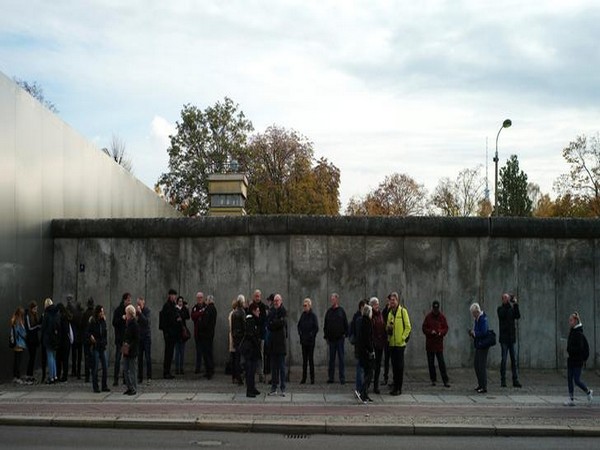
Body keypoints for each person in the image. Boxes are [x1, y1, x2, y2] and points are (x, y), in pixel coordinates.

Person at [564, 312, 593, 406]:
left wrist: (570, 350)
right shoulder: (572, 331)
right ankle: (571, 399)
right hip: (571, 360)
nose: (570, 322)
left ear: (576, 321)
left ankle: (588, 391)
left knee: (576, 380)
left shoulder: (579, 333)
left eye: (571, 320)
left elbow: (580, 348)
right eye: (569, 320)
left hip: (577, 361)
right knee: (569, 379)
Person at [386, 291, 411, 396]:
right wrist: (388, 329)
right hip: (392, 343)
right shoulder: (390, 313)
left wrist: (403, 338)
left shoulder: (403, 312)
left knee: (400, 367)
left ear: (397, 300)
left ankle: (399, 388)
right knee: (394, 366)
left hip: (400, 344)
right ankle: (394, 387)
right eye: (390, 300)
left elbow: (408, 327)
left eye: (393, 300)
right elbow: (387, 326)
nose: (391, 302)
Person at [422, 300, 450, 388]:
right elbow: (424, 328)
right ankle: (433, 379)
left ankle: (445, 380)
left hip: (438, 344)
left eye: (437, 309)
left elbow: (446, 328)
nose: (435, 310)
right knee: (431, 363)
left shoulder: (442, 317)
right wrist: (431, 332)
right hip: (430, 344)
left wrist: (440, 332)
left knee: (441, 363)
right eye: (434, 308)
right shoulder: (428, 317)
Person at [497, 293, 522, 388]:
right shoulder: (500, 309)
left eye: (508, 298)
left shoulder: (512, 309)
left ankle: (515, 380)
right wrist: (508, 305)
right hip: (504, 339)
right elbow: (503, 315)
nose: (507, 300)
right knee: (504, 359)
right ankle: (503, 380)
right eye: (505, 298)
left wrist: (515, 304)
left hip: (512, 338)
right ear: (503, 299)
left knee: (514, 360)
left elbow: (518, 315)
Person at [324, 293, 348, 384]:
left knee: (341, 359)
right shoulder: (329, 312)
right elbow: (326, 324)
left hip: (340, 339)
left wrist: (345, 334)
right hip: (331, 339)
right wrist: (326, 336)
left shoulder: (341, 311)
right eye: (331, 299)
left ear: (337, 300)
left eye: (334, 299)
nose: (332, 301)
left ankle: (342, 378)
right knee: (331, 359)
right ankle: (331, 377)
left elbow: (345, 323)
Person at [267, 294, 287, 396]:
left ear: (281, 301)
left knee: (282, 367)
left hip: (281, 344)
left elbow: (281, 323)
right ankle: (273, 388)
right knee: (273, 368)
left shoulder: (283, 311)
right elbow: (269, 325)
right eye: (274, 300)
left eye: (277, 300)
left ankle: (283, 388)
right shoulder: (271, 311)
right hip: (273, 344)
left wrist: (274, 323)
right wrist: (276, 322)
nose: (275, 302)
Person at [87, 305, 110, 393]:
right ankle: (95, 386)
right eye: (101, 311)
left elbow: (105, 333)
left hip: (102, 346)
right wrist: (91, 337)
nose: (102, 313)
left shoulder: (103, 321)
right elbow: (88, 332)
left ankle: (104, 385)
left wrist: (104, 342)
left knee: (105, 367)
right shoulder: (93, 321)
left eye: (102, 311)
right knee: (95, 367)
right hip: (96, 346)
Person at [242, 302, 262, 397]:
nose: (259, 312)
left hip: (253, 349)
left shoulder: (254, 319)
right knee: (249, 370)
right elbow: (251, 334)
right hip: (250, 349)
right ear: (253, 311)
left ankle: (252, 387)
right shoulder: (250, 319)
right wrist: (256, 343)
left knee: (253, 370)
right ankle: (249, 390)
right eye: (258, 311)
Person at [297, 297, 318, 384]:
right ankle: (304, 378)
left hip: (310, 341)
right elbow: (299, 325)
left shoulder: (313, 316)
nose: (304, 307)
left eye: (305, 305)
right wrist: (300, 334)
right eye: (303, 306)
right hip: (304, 341)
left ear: (309, 306)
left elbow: (316, 328)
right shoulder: (303, 315)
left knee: (311, 360)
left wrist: (311, 335)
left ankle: (312, 378)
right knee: (304, 361)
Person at [159, 289, 179, 379]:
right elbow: (166, 320)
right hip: (169, 333)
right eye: (173, 295)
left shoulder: (173, 305)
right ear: (170, 296)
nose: (174, 297)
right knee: (168, 353)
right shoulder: (167, 306)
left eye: (175, 295)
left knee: (170, 353)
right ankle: (166, 372)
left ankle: (167, 371)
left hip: (172, 333)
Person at [469, 302, 489, 394]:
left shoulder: (482, 319)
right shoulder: (477, 319)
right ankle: (480, 384)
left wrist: (475, 333)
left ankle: (483, 386)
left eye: (473, 313)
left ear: (477, 311)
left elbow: (484, 332)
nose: (473, 315)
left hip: (483, 345)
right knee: (477, 365)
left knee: (481, 366)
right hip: (478, 344)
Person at [112, 292, 131, 386]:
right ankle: (115, 379)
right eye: (128, 300)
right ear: (124, 300)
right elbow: (114, 323)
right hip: (120, 339)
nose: (129, 301)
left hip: (125, 340)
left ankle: (125, 378)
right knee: (118, 359)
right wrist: (122, 319)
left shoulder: (129, 310)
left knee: (125, 359)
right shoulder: (118, 310)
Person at [357, 304, 374, 403]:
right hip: (367, 353)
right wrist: (371, 350)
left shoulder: (361, 321)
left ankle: (365, 394)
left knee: (367, 373)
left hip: (362, 352)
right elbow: (368, 339)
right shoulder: (367, 323)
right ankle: (363, 392)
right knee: (369, 374)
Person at [369, 297, 386, 394]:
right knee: (371, 366)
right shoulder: (370, 316)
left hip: (380, 344)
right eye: (375, 304)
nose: (377, 305)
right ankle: (367, 385)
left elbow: (382, 326)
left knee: (378, 366)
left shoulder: (380, 315)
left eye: (377, 303)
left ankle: (376, 386)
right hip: (373, 344)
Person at [250, 289, 268, 382]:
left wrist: (257, 317)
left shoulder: (263, 307)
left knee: (260, 355)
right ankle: (252, 373)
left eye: (258, 296)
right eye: (256, 296)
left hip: (260, 335)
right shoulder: (251, 306)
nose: (257, 297)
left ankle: (261, 374)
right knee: (252, 355)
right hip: (253, 336)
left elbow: (263, 321)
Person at [350, 299, 366, 397]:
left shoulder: (366, 317)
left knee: (363, 369)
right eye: (363, 307)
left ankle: (362, 389)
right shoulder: (358, 318)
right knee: (360, 369)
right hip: (359, 347)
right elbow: (353, 331)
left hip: (364, 347)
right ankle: (359, 389)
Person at [41, 298, 60, 384]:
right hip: (55, 337)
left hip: (48, 338)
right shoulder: (56, 313)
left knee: (49, 357)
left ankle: (51, 377)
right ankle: (55, 375)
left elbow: (44, 327)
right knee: (53, 357)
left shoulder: (46, 314)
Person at [122, 304, 139, 395]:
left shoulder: (134, 324)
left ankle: (133, 388)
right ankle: (129, 387)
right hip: (126, 349)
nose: (125, 315)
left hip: (132, 350)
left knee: (132, 371)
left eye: (126, 313)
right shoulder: (127, 324)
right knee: (125, 370)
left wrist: (129, 345)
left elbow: (136, 339)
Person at [230, 295, 246, 385]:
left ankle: (236, 376)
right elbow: (244, 325)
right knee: (241, 359)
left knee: (236, 358)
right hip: (241, 338)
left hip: (235, 337)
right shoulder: (242, 312)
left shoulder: (234, 313)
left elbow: (232, 327)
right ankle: (240, 377)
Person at [200, 294, 217, 379]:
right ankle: (211, 369)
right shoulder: (214, 309)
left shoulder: (208, 309)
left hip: (206, 334)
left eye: (206, 299)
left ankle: (209, 371)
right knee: (209, 352)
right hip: (210, 333)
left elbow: (205, 323)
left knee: (207, 353)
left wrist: (201, 323)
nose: (205, 301)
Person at [24, 301, 41, 383]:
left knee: (33, 358)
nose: (36, 310)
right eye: (34, 309)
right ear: (31, 309)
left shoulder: (34, 316)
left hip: (34, 339)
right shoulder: (27, 316)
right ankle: (28, 374)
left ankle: (30, 374)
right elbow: (29, 328)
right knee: (31, 358)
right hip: (30, 339)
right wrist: (37, 327)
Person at [136, 297, 152, 384]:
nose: (138, 305)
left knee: (148, 357)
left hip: (146, 337)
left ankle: (149, 376)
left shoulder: (147, 311)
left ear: (143, 303)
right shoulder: (136, 312)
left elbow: (146, 322)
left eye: (140, 304)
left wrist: (141, 313)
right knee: (139, 358)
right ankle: (140, 377)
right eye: (137, 304)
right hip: (139, 337)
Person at [67, 296, 83, 379]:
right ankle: (79, 372)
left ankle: (74, 370)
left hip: (75, 336)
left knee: (74, 355)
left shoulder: (74, 315)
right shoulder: (82, 314)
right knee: (79, 356)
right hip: (80, 337)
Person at [10, 307, 28, 384]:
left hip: (16, 343)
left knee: (16, 360)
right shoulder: (18, 321)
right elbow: (21, 332)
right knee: (18, 361)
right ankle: (17, 376)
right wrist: (25, 334)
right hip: (19, 343)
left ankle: (16, 376)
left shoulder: (14, 320)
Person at [190, 292, 206, 375]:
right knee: (198, 351)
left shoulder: (206, 307)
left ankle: (207, 368)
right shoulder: (195, 307)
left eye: (201, 297)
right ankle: (198, 367)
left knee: (206, 351)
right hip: (197, 333)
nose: (199, 299)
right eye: (198, 298)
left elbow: (206, 316)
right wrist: (200, 313)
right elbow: (193, 316)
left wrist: (199, 314)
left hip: (204, 333)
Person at [56, 303, 72, 382]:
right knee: (65, 360)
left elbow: (61, 331)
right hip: (67, 341)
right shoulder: (67, 317)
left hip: (61, 341)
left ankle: (59, 375)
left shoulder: (61, 318)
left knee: (59, 360)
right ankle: (64, 375)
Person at [174, 296, 190, 375]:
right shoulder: (175, 309)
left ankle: (181, 368)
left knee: (182, 352)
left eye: (181, 301)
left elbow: (187, 316)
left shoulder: (183, 309)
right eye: (179, 301)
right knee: (177, 352)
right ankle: (177, 368)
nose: (180, 303)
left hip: (183, 333)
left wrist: (186, 309)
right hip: (177, 332)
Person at [81, 297, 95, 383]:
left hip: (86, 338)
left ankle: (87, 376)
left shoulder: (85, 313)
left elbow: (82, 325)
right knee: (93, 357)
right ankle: (93, 373)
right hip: (93, 338)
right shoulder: (94, 314)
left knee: (87, 357)